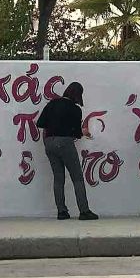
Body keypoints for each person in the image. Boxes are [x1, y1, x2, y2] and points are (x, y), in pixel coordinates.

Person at [35, 81, 99, 221]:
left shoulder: (52, 104)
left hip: (49, 142)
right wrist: (84, 132)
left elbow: (40, 123)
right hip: (65, 143)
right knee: (77, 177)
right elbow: (76, 134)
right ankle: (84, 211)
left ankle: (62, 211)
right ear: (78, 95)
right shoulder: (75, 109)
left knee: (58, 178)